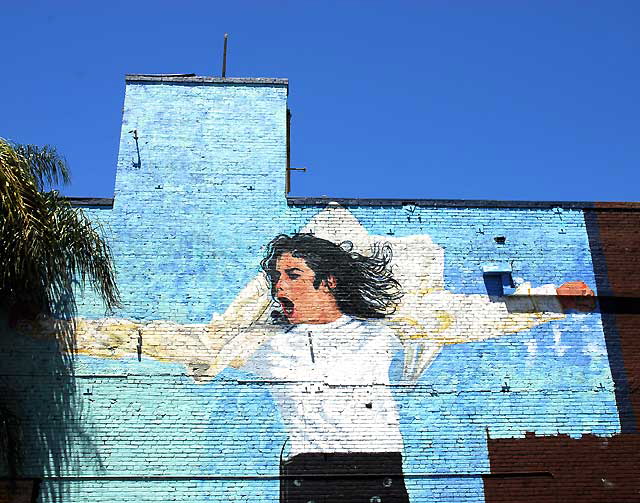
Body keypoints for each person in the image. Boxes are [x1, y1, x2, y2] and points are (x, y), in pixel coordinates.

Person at [243, 233, 411, 503]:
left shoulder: (381, 337)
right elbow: (202, 343)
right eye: (277, 278)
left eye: (293, 275)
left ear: (328, 281)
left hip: (377, 477)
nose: (279, 289)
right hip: (308, 479)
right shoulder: (269, 345)